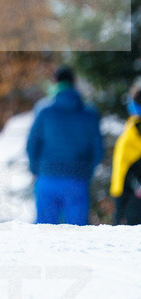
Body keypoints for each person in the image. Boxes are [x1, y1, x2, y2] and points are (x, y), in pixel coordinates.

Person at [25, 65, 104, 225]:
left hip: (47, 177)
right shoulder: (89, 114)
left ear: (55, 82)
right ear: (74, 82)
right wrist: (86, 172)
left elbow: (32, 145)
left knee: (44, 232)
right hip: (77, 179)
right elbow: (97, 150)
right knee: (77, 234)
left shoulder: (44, 111)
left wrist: (35, 169)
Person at [110, 77, 141, 225]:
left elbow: (122, 172)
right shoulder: (132, 128)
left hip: (132, 202)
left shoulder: (133, 132)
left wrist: (119, 209)